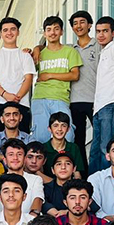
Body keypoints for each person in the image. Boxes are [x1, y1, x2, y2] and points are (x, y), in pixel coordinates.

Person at [30, 15, 80, 144]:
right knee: (40, 137)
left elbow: (75, 75)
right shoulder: (39, 53)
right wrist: (32, 50)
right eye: (49, 29)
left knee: (67, 136)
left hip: (60, 97)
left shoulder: (70, 51)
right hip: (40, 98)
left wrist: (49, 75)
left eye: (56, 29)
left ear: (62, 32)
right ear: (45, 33)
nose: (53, 32)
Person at [0, 18, 35, 134]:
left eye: (13, 29)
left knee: (22, 141)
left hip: (21, 103)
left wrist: (16, 98)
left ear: (18, 32)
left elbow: (28, 79)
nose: (9, 33)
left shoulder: (25, 56)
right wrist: (5, 95)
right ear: (1, 34)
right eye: (5, 30)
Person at [90, 17, 114, 175]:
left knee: (106, 149)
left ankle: (105, 186)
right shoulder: (103, 52)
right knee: (95, 151)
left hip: (111, 104)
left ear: (113, 32)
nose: (101, 34)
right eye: (98, 31)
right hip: (99, 108)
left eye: (105, 31)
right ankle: (93, 188)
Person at [66, 9, 99, 158]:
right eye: (75, 23)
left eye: (82, 22)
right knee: (78, 141)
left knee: (99, 139)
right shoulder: (70, 50)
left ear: (90, 25)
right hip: (74, 101)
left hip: (95, 100)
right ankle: (82, 175)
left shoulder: (98, 46)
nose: (78, 26)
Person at [0, 139, 45, 214]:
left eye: (19, 154)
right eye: (11, 154)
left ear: (25, 158)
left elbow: (38, 200)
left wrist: (32, 217)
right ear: (5, 160)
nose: (15, 158)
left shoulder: (36, 179)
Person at [40, 112, 86, 176]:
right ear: (49, 129)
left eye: (63, 125)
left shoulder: (74, 147)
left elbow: (77, 174)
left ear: (68, 129)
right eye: (55, 125)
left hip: (69, 184)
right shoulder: (43, 148)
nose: (59, 129)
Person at [41, 151, 84, 217]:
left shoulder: (82, 187)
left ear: (74, 169)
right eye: (59, 164)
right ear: (53, 170)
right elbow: (43, 204)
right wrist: (56, 213)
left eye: (67, 163)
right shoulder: (46, 188)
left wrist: (67, 212)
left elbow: (91, 206)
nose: (63, 167)